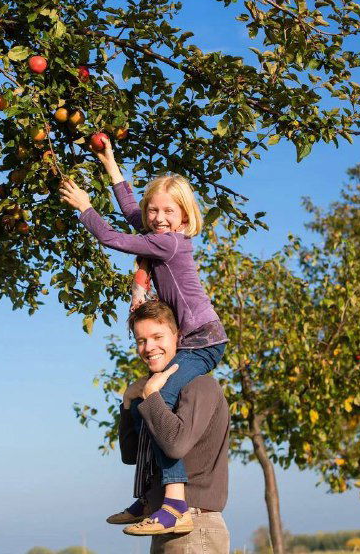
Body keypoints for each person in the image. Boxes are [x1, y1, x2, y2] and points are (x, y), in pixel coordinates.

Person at [59, 136, 228, 533]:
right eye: (155, 211)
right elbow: (132, 212)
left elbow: (112, 238)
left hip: (204, 340)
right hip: (190, 340)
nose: (158, 217)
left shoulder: (170, 244)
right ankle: (151, 496)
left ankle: (174, 505)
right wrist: (111, 164)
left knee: (160, 401)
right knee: (140, 404)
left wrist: (86, 208)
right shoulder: (158, 234)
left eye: (169, 211)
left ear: (184, 218)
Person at [119, 300, 230, 551]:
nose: (149, 347)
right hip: (163, 523)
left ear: (178, 336)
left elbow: (175, 445)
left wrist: (152, 397)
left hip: (195, 525)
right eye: (141, 340)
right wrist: (128, 403)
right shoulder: (156, 394)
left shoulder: (200, 386)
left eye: (157, 336)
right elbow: (130, 455)